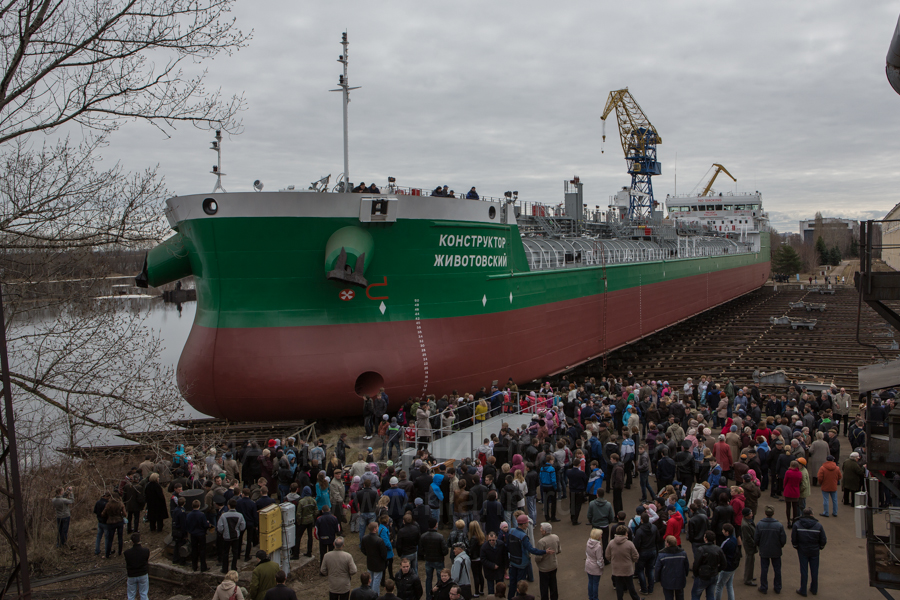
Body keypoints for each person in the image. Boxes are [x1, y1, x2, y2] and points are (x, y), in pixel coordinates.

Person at [508, 513, 551, 594]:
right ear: (523, 524)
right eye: (527, 523)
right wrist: (545, 551)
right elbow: (531, 550)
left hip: (513, 561)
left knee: (512, 584)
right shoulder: (523, 536)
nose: (528, 525)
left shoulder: (511, 531)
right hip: (521, 564)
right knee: (520, 585)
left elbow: (507, 546)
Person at [791, 508, 827, 597]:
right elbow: (823, 539)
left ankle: (803, 590)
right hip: (814, 550)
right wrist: (820, 547)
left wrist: (796, 546)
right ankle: (814, 589)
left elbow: (794, 538)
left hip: (802, 550)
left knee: (804, 570)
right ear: (811, 515)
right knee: (814, 570)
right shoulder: (818, 525)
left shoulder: (797, 524)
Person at [754, 505, 786, 595]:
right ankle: (777, 587)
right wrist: (780, 546)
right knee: (777, 569)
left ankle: (764, 587)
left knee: (764, 569)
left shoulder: (760, 524)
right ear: (773, 513)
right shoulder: (779, 525)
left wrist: (759, 545)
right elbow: (783, 539)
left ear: (765, 513)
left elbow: (756, 538)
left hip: (764, 549)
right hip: (776, 550)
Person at [605, 525, 640, 600]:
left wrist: (613, 560)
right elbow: (636, 556)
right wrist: (632, 561)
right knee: (630, 586)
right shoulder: (629, 543)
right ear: (625, 534)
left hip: (616, 568)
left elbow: (607, 555)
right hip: (627, 568)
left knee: (619, 586)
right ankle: (636, 599)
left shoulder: (611, 543)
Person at [690, 530, 726, 600]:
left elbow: (696, 564)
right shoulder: (718, 549)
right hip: (713, 575)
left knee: (695, 595)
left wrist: (696, 574)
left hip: (702, 576)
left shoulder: (701, 549)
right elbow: (724, 564)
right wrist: (716, 570)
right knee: (710, 595)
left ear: (705, 538)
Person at [421, 518, 449, 600]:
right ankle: (439, 596)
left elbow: (421, 550)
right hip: (438, 560)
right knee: (441, 579)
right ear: (435, 525)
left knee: (428, 579)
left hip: (428, 560)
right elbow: (445, 551)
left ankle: (428, 597)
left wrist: (426, 554)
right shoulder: (440, 537)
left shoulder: (423, 536)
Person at [654, 535, 688, 600]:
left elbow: (657, 568)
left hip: (667, 580)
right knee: (680, 596)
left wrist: (658, 579)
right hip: (680, 579)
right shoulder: (683, 553)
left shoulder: (661, 555)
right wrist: (685, 574)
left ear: (667, 543)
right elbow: (686, 566)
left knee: (668, 597)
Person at [534, 522, 560, 600]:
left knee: (544, 587)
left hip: (544, 569)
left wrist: (537, 561)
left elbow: (538, 557)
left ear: (545, 531)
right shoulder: (556, 537)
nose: (540, 529)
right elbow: (559, 550)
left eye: (541, 528)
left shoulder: (541, 542)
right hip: (553, 565)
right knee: (553, 585)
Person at [362, 521, 389, 592]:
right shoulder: (379, 540)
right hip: (379, 563)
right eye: (377, 527)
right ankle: (374, 594)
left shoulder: (365, 538)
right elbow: (384, 553)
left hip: (370, 561)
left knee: (370, 579)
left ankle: (369, 592)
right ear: (374, 529)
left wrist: (368, 554)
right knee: (376, 580)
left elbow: (363, 549)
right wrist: (383, 559)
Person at [185, 498, 211, 572]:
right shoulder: (201, 515)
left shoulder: (189, 515)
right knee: (202, 551)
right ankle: (203, 567)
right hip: (201, 534)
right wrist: (208, 524)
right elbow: (205, 525)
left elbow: (187, 524)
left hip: (193, 534)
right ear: (199, 506)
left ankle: (194, 566)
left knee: (194, 550)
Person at [715, 524, 739, 600]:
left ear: (727, 532)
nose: (722, 531)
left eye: (723, 530)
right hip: (733, 565)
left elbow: (720, 553)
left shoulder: (726, 543)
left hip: (727, 567)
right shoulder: (734, 539)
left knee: (719, 586)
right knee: (729, 585)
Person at [124, 533, 150, 600]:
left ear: (132, 541)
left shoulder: (127, 553)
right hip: (143, 574)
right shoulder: (146, 551)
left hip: (132, 575)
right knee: (143, 594)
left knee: (131, 595)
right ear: (140, 540)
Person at [481, 530, 506, 597]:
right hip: (489, 571)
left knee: (500, 588)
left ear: (496, 538)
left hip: (499, 570)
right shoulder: (484, 547)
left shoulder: (501, 544)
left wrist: (505, 568)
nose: (491, 542)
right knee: (491, 589)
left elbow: (505, 556)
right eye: (490, 540)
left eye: (493, 540)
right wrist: (492, 565)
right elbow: (483, 560)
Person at [584, 528, 605, 600]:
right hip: (595, 567)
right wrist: (602, 566)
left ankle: (590, 597)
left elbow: (586, 553)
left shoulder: (588, 542)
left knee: (590, 582)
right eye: (600, 535)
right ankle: (595, 598)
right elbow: (599, 559)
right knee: (595, 583)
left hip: (588, 564)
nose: (601, 536)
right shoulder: (598, 547)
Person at [740, 507, 757, 587]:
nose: (752, 514)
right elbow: (748, 538)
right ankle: (748, 579)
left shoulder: (747, 522)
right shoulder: (745, 525)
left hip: (750, 545)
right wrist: (754, 544)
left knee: (750, 561)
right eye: (750, 513)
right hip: (749, 546)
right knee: (749, 562)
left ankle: (748, 576)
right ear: (747, 515)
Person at [93, 491, 110, 557]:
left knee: (98, 537)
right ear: (106, 497)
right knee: (106, 538)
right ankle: (107, 551)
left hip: (99, 522)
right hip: (106, 522)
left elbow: (95, 511)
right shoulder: (107, 504)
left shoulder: (98, 502)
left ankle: (97, 550)